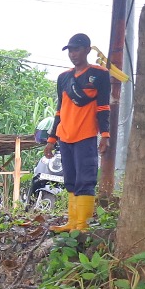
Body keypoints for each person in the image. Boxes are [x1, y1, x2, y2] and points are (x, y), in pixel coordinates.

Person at [43, 32, 111, 233]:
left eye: (77, 49)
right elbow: (59, 110)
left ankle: (82, 225)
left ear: (88, 50)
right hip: (65, 136)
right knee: (71, 180)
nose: (73, 54)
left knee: (86, 179)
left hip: (86, 135)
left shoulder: (99, 74)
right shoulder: (64, 77)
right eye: (70, 50)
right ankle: (72, 222)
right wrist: (51, 138)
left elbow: (103, 107)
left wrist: (105, 134)